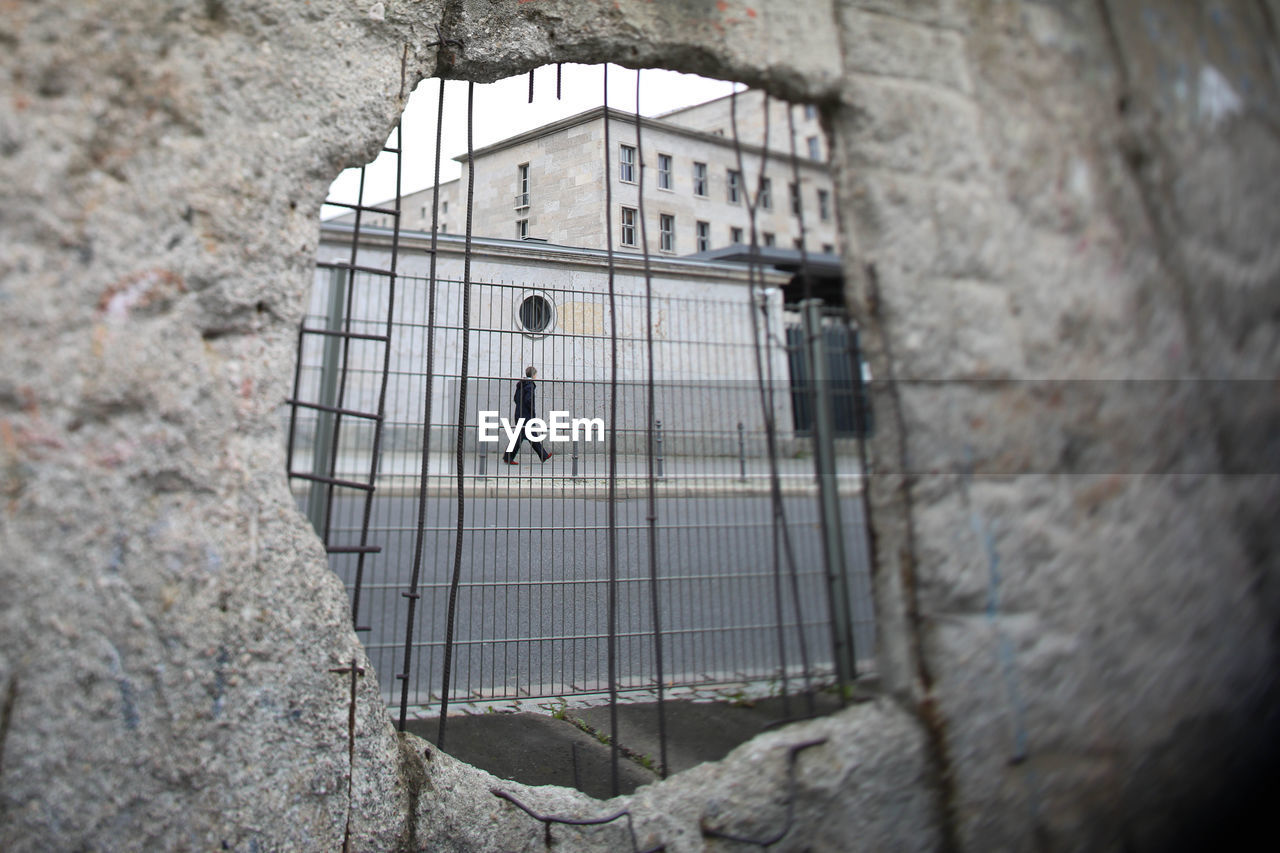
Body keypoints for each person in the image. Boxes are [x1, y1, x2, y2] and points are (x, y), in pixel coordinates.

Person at [502, 366, 553, 464]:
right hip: (526, 415)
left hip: (518, 413)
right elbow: (529, 399)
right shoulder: (529, 385)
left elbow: (515, 399)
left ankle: (543, 455)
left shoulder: (521, 384)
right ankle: (543, 455)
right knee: (527, 435)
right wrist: (531, 411)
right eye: (536, 375)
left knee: (525, 435)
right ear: (533, 375)